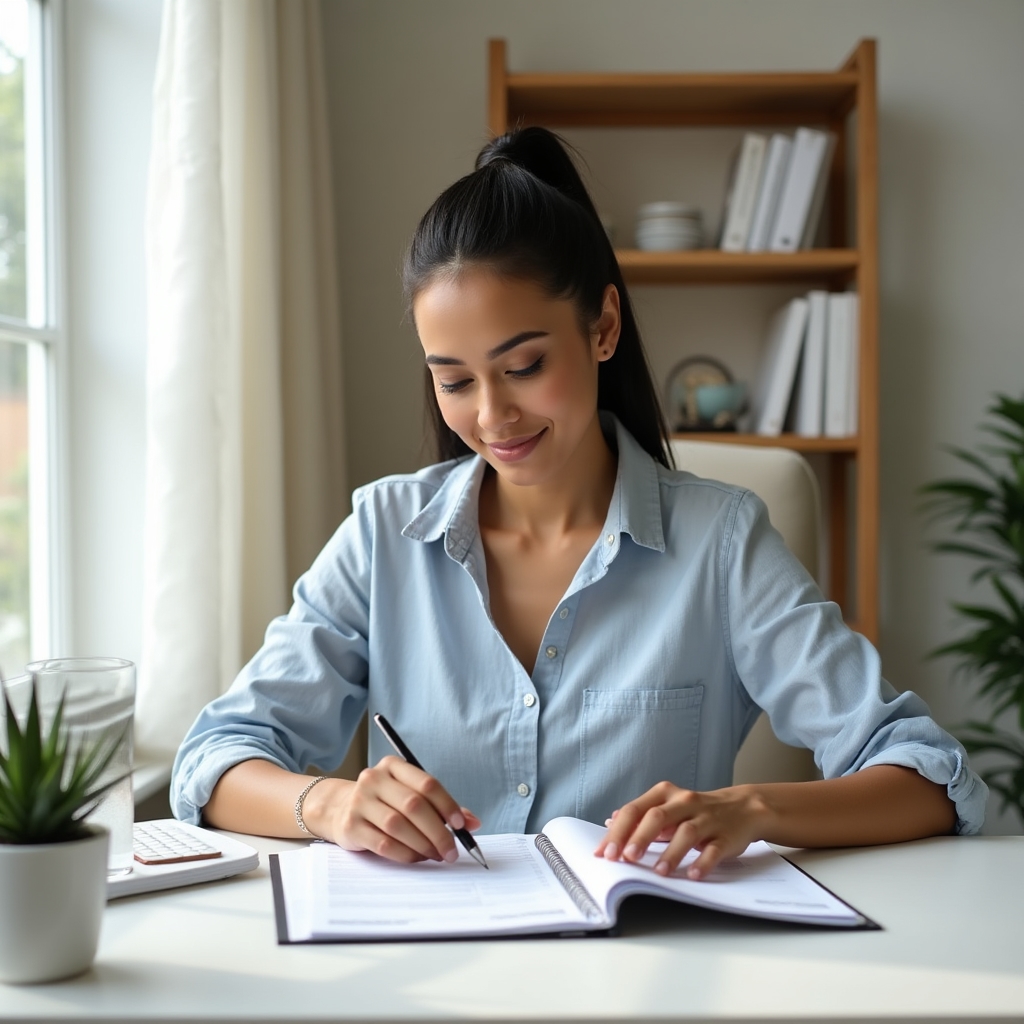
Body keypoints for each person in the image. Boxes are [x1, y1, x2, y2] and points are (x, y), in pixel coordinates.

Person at [171, 127, 985, 881]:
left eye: (523, 366)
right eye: (453, 380)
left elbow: (930, 778)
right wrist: (331, 804)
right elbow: (213, 760)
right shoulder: (383, 534)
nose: (492, 417)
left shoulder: (721, 542)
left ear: (602, 327)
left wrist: (756, 807)